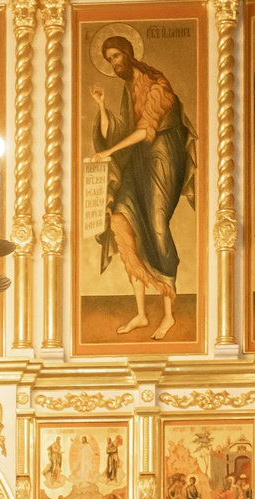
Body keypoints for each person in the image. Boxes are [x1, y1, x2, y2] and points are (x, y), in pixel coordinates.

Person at [88, 34, 193, 340]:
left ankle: (169, 314)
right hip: (137, 159)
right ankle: (142, 314)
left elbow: (146, 130)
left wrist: (107, 153)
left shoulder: (156, 84)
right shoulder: (127, 88)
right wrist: (102, 105)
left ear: (129, 54)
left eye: (116, 56)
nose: (114, 63)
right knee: (121, 220)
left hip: (163, 157)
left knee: (157, 228)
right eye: (109, 59)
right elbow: (122, 131)